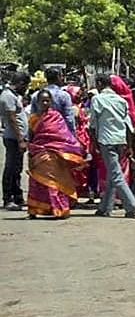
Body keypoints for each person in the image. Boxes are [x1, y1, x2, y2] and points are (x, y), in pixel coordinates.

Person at [25, 90, 85, 219]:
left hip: (55, 153)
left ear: (51, 102)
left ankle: (59, 209)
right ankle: (35, 209)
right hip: (39, 152)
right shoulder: (33, 119)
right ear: (38, 102)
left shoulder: (56, 117)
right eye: (42, 101)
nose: (45, 103)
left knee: (54, 182)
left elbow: (64, 135)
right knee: (37, 182)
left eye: (47, 100)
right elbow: (31, 136)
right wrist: (30, 151)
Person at [89, 75, 135, 219]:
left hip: (106, 140)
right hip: (121, 140)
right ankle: (105, 207)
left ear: (99, 84)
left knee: (116, 175)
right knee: (113, 173)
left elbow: (93, 124)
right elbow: (128, 125)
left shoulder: (97, 99)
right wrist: (129, 145)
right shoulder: (121, 100)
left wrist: (94, 142)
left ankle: (131, 206)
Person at [1, 72, 30, 210]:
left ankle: (18, 196)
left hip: (18, 138)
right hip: (13, 138)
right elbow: (12, 119)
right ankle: (8, 198)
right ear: (20, 83)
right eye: (26, 86)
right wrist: (20, 139)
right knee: (11, 168)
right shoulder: (7, 96)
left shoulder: (13, 96)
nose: (26, 89)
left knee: (17, 168)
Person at [38, 67, 76, 135]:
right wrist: (72, 135)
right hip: (61, 135)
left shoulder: (37, 95)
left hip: (41, 135)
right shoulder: (64, 95)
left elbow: (33, 116)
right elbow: (69, 119)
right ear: (58, 77)